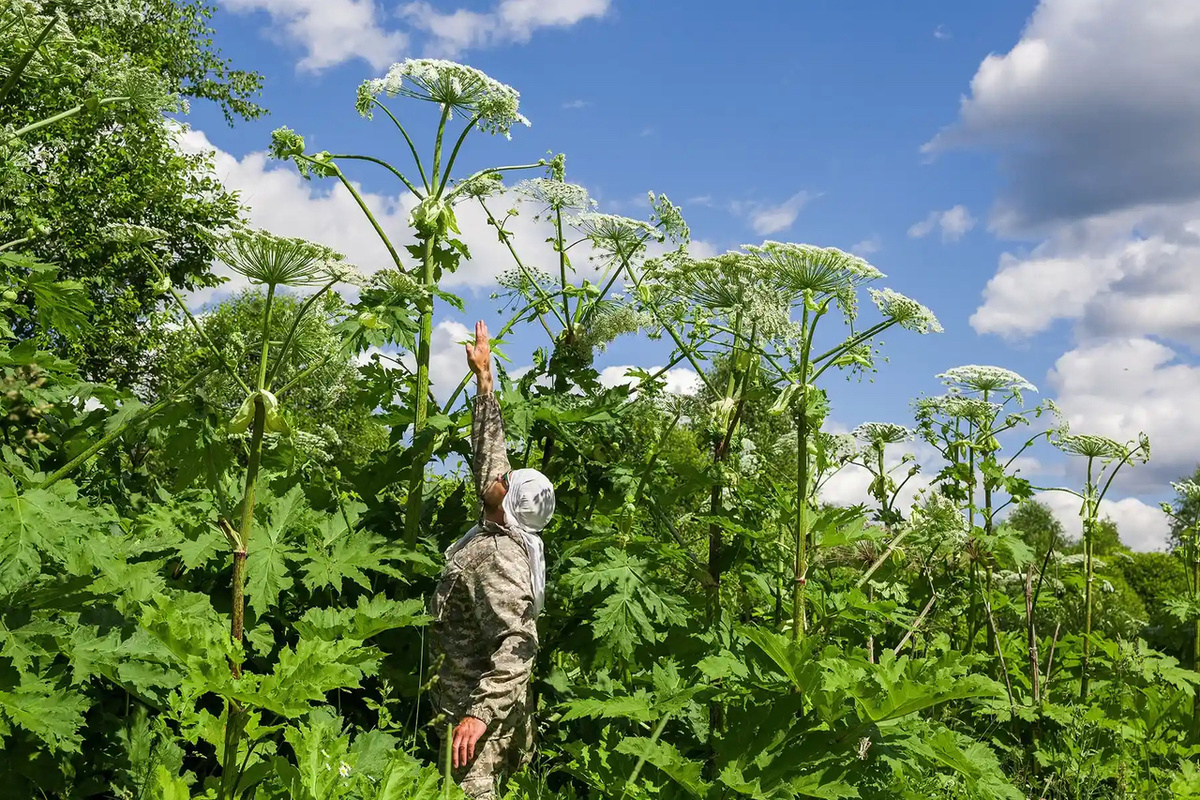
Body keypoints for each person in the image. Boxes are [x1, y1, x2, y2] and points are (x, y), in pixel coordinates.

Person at [430, 320, 556, 800]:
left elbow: (519, 644)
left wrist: (478, 716)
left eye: (506, 481)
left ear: (508, 503)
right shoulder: (504, 523)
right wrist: (484, 378)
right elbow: (491, 458)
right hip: (481, 714)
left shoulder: (501, 557)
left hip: (478, 729)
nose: (499, 477)